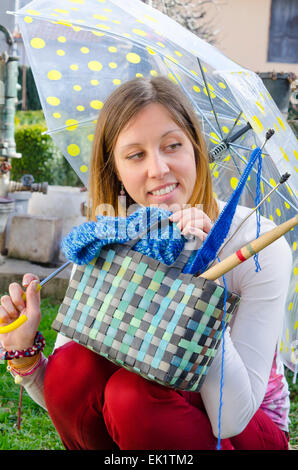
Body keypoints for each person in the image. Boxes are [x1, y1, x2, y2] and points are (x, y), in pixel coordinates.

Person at [0, 77, 292, 450]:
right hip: (154, 419)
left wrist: (201, 294)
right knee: (74, 367)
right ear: (116, 171)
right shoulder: (110, 237)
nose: (158, 169)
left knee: (132, 395)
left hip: (246, 428)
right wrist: (24, 357)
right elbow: (73, 398)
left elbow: (230, 419)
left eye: (173, 146)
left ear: (196, 150)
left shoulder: (257, 245)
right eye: (136, 155)